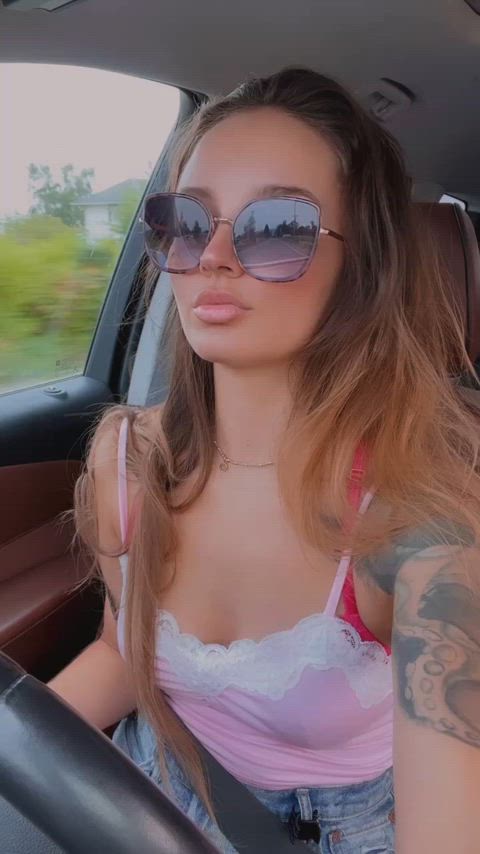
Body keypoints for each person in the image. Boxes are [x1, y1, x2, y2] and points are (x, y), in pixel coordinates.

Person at [48, 67, 480, 853]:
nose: (213, 255)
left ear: (360, 266)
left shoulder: (418, 523)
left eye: (277, 226)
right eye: (186, 220)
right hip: (149, 789)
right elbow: (119, 653)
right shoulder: (127, 460)